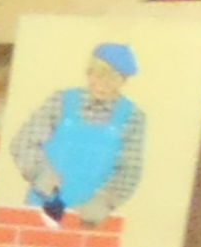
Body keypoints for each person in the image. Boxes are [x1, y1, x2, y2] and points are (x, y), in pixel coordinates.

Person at [13, 41, 150, 221]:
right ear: (88, 73)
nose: (102, 84)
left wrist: (104, 201)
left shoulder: (133, 117)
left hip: (89, 214)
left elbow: (130, 170)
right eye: (97, 75)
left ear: (123, 80)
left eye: (112, 78)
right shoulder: (60, 101)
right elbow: (23, 143)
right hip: (42, 204)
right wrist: (43, 178)